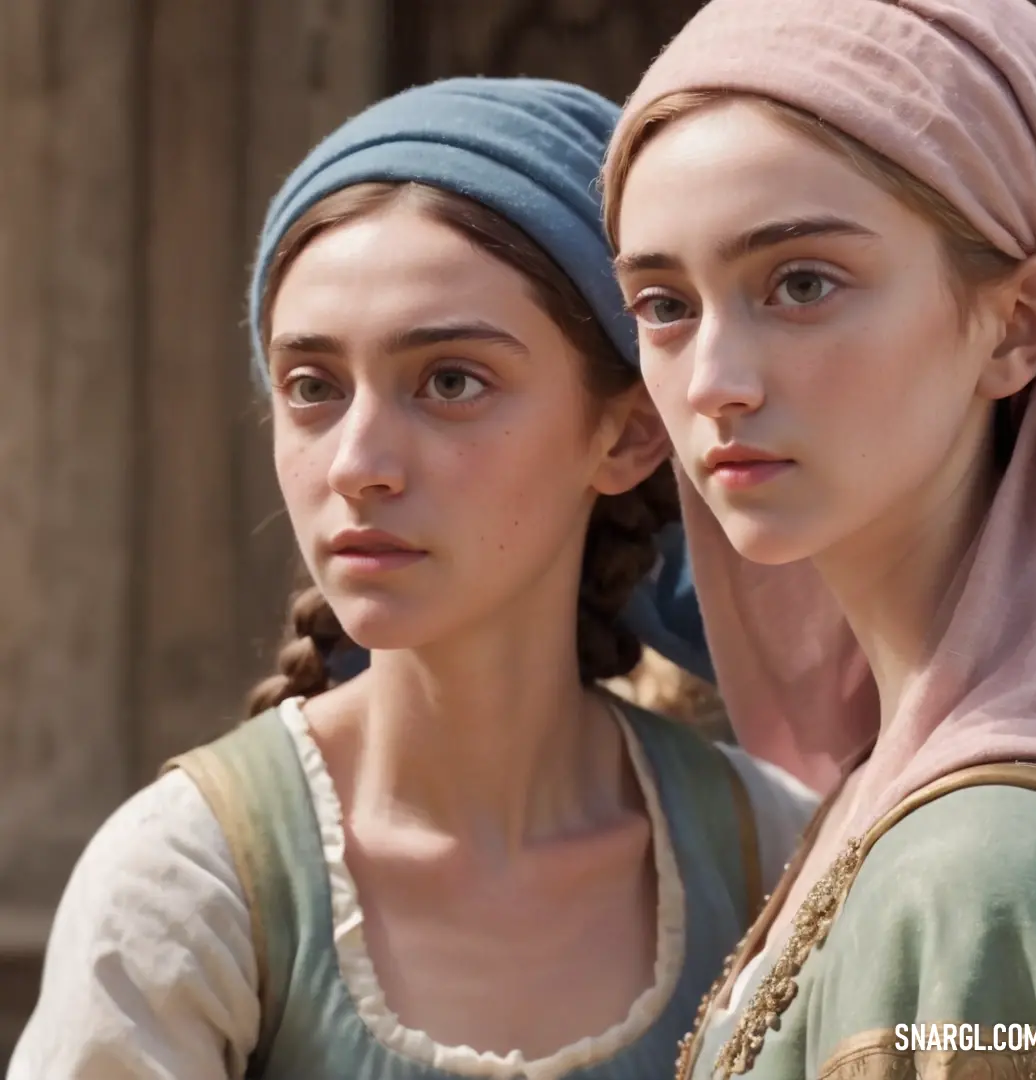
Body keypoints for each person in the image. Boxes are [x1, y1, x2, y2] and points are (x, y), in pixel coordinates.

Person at [9, 78, 816, 1080]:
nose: (358, 463)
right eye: (312, 388)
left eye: (449, 383)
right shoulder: (191, 887)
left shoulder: (773, 855)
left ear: (629, 431)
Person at [600, 0, 1036, 1075]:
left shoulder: (988, 864)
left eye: (802, 284)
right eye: (665, 304)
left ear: (1019, 323)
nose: (714, 384)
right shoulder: (886, 788)